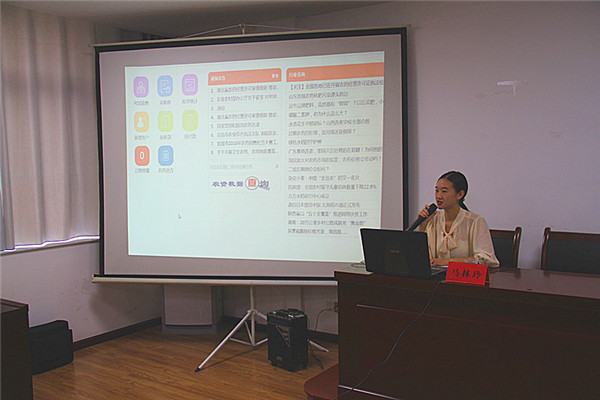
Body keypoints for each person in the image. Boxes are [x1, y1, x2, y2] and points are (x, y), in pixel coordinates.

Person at [417, 171, 499, 268]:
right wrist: (422, 226)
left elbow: (486, 259)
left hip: (464, 276)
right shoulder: (433, 219)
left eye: (444, 191)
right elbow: (421, 258)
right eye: (437, 190)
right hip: (436, 276)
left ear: (460, 194)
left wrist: (446, 262)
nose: (438, 196)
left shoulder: (475, 221)